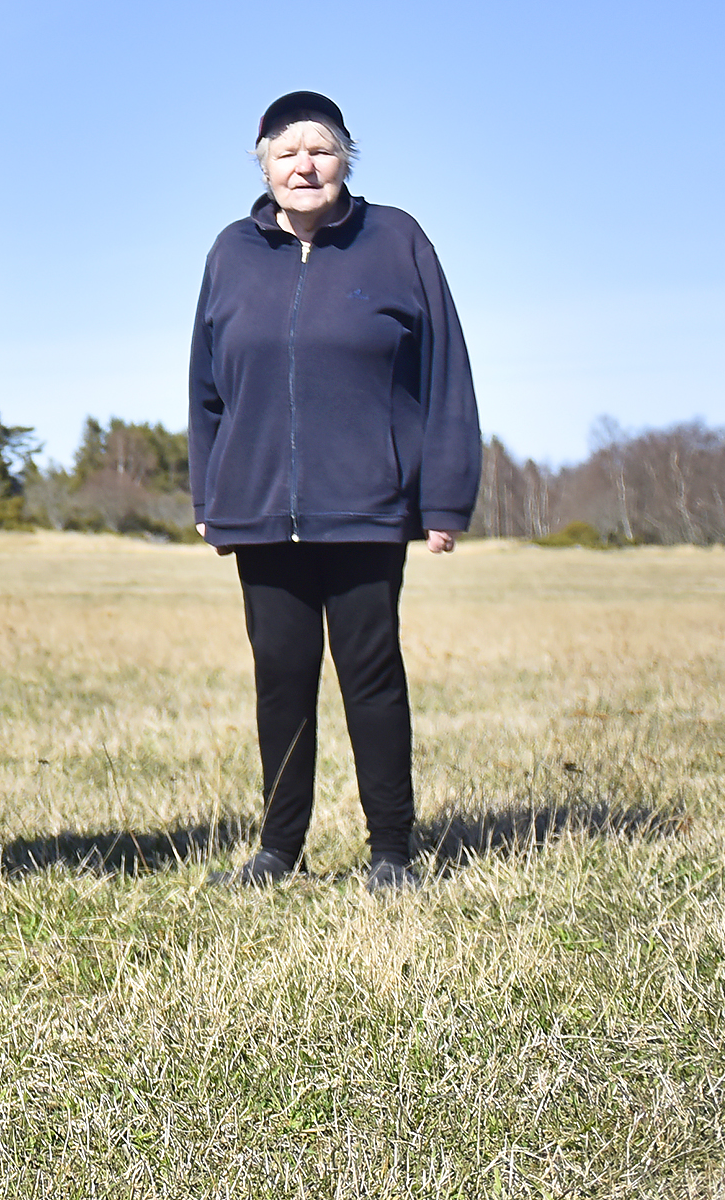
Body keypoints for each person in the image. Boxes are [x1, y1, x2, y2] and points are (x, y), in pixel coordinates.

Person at [187, 90, 478, 894]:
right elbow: (206, 388)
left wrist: (443, 500)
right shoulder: (229, 252)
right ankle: (278, 849)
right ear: (263, 164)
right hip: (256, 512)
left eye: (319, 149)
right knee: (279, 677)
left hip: (365, 507)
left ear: (346, 158)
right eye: (286, 151)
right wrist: (209, 493)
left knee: (369, 673)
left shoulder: (396, 240)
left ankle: (391, 850)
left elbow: (444, 372)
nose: (303, 164)